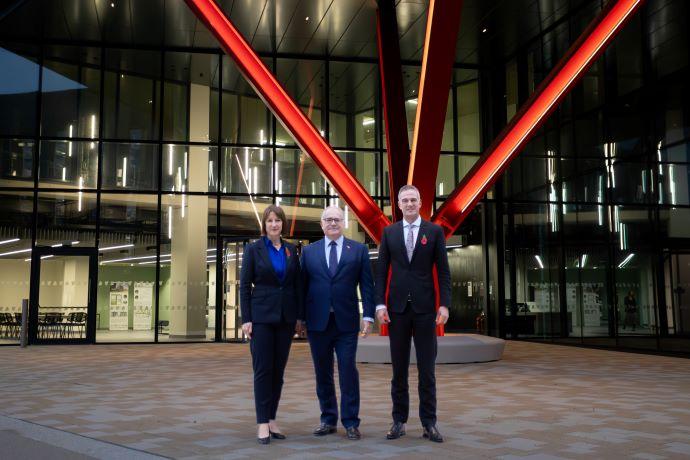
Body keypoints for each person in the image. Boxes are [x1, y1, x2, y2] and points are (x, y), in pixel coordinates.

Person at [375, 184, 451, 443]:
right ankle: (398, 421)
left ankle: (429, 423)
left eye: (413, 200)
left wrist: (444, 305)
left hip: (425, 310)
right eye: (405, 200)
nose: (409, 204)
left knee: (427, 370)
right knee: (399, 370)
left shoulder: (435, 232)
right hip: (396, 311)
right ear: (398, 205)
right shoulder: (389, 233)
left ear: (421, 203)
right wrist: (379, 305)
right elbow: (382, 272)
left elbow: (443, 272)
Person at [300, 205, 376, 440]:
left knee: (347, 371)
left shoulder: (359, 250)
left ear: (343, 223)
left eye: (337, 219)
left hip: (346, 322)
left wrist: (368, 315)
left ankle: (351, 422)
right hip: (317, 323)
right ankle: (328, 419)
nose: (333, 223)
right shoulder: (309, 252)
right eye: (328, 220)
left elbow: (367, 285)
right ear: (321, 224)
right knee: (322, 372)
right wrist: (300, 318)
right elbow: (302, 287)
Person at [240, 205, 303, 444]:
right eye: (270, 221)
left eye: (278, 221)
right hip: (262, 318)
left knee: (278, 372)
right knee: (263, 371)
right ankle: (262, 422)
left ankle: (272, 417)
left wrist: (298, 317)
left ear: (282, 224)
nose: (274, 224)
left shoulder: (290, 250)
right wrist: (246, 318)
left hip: (285, 319)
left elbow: (297, 285)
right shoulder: (253, 249)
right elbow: (245, 286)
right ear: (264, 225)